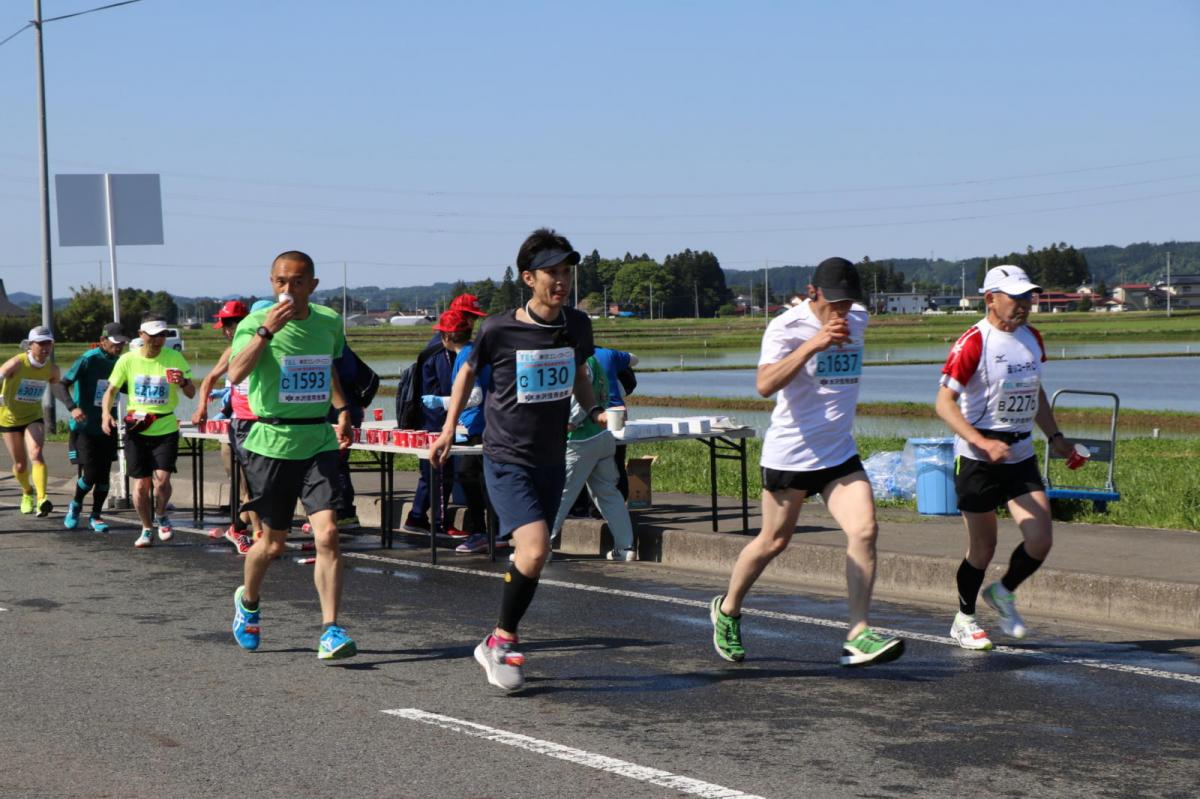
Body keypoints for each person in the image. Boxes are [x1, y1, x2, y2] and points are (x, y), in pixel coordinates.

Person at [709, 257, 904, 668]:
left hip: (838, 453)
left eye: (849, 303)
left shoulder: (860, 319)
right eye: (835, 303)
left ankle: (858, 632)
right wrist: (813, 344)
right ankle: (727, 611)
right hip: (791, 455)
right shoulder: (786, 327)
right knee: (773, 542)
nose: (842, 312)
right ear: (812, 291)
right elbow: (764, 385)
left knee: (865, 529)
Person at [431, 228, 600, 693]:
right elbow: (466, 371)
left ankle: (501, 636)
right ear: (529, 278)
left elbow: (581, 373)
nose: (561, 281)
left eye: (567, 272)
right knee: (536, 548)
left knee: (533, 556)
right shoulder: (499, 328)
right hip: (506, 456)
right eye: (552, 272)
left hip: (551, 457)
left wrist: (597, 409)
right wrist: (448, 428)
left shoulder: (577, 325)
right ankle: (500, 641)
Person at [936, 265, 1076, 650]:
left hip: (1019, 452)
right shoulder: (973, 343)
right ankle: (964, 618)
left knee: (1041, 538)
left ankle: (1003, 591)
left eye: (1028, 296)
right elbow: (944, 404)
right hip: (979, 457)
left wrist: (1057, 438)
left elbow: (1035, 393)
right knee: (983, 548)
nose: (1025, 305)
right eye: (1016, 297)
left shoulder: (1032, 338)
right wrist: (981, 442)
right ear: (991, 299)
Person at [227, 250, 357, 662]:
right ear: (271, 282)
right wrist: (265, 331)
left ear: (312, 286)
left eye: (297, 282)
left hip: (316, 439)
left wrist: (341, 408)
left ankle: (330, 630)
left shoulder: (329, 322)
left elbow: (326, 367)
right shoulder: (252, 323)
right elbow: (234, 374)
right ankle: (248, 602)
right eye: (280, 282)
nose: (288, 290)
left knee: (329, 534)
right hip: (270, 442)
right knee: (272, 544)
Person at [102, 315, 196, 547]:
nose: (158, 340)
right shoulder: (127, 360)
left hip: (165, 427)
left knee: (162, 482)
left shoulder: (174, 358)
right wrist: (106, 414)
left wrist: (183, 382)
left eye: (162, 335)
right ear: (141, 335)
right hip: (138, 428)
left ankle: (162, 514)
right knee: (141, 486)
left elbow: (192, 393)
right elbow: (111, 391)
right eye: (153, 335)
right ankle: (146, 527)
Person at [550, 354, 637, 561]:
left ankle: (540, 546)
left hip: (579, 441)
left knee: (559, 494)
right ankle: (626, 547)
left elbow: (580, 400)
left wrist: (570, 423)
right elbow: (603, 394)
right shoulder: (594, 360)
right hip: (602, 437)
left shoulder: (575, 361)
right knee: (608, 493)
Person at [420, 310, 493, 551]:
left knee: (470, 477)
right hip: (483, 425)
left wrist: (441, 402)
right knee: (485, 479)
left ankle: (481, 532)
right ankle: (494, 532)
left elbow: (474, 395)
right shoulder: (474, 351)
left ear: (447, 336)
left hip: (476, 427)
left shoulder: (465, 356)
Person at [191, 300, 258, 554]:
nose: (225, 332)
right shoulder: (232, 352)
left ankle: (242, 530)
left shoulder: (266, 347)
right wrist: (201, 408)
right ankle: (247, 534)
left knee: (260, 491)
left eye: (227, 326)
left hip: (263, 427)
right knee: (248, 492)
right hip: (238, 429)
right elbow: (208, 379)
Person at [55, 322, 129, 531]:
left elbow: (125, 387)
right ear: (103, 341)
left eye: (122, 343)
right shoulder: (88, 359)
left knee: (104, 475)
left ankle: (96, 516)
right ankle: (76, 505)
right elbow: (61, 384)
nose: (119, 347)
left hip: (107, 425)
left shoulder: (120, 362)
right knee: (90, 474)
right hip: (84, 426)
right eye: (115, 343)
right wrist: (72, 407)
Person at [403, 313, 458, 536]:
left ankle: (416, 516)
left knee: (430, 473)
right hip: (437, 421)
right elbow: (449, 388)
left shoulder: (432, 347)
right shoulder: (442, 352)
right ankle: (440, 523)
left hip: (426, 420)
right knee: (442, 473)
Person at [0, 326, 63, 517]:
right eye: (41, 343)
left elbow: (58, 389)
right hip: (9, 418)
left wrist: (74, 406)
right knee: (20, 465)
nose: (45, 348)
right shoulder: (18, 363)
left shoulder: (52, 369)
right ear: (30, 344)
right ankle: (27, 492)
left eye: (48, 343)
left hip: (33, 416)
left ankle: (42, 498)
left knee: (36, 453)